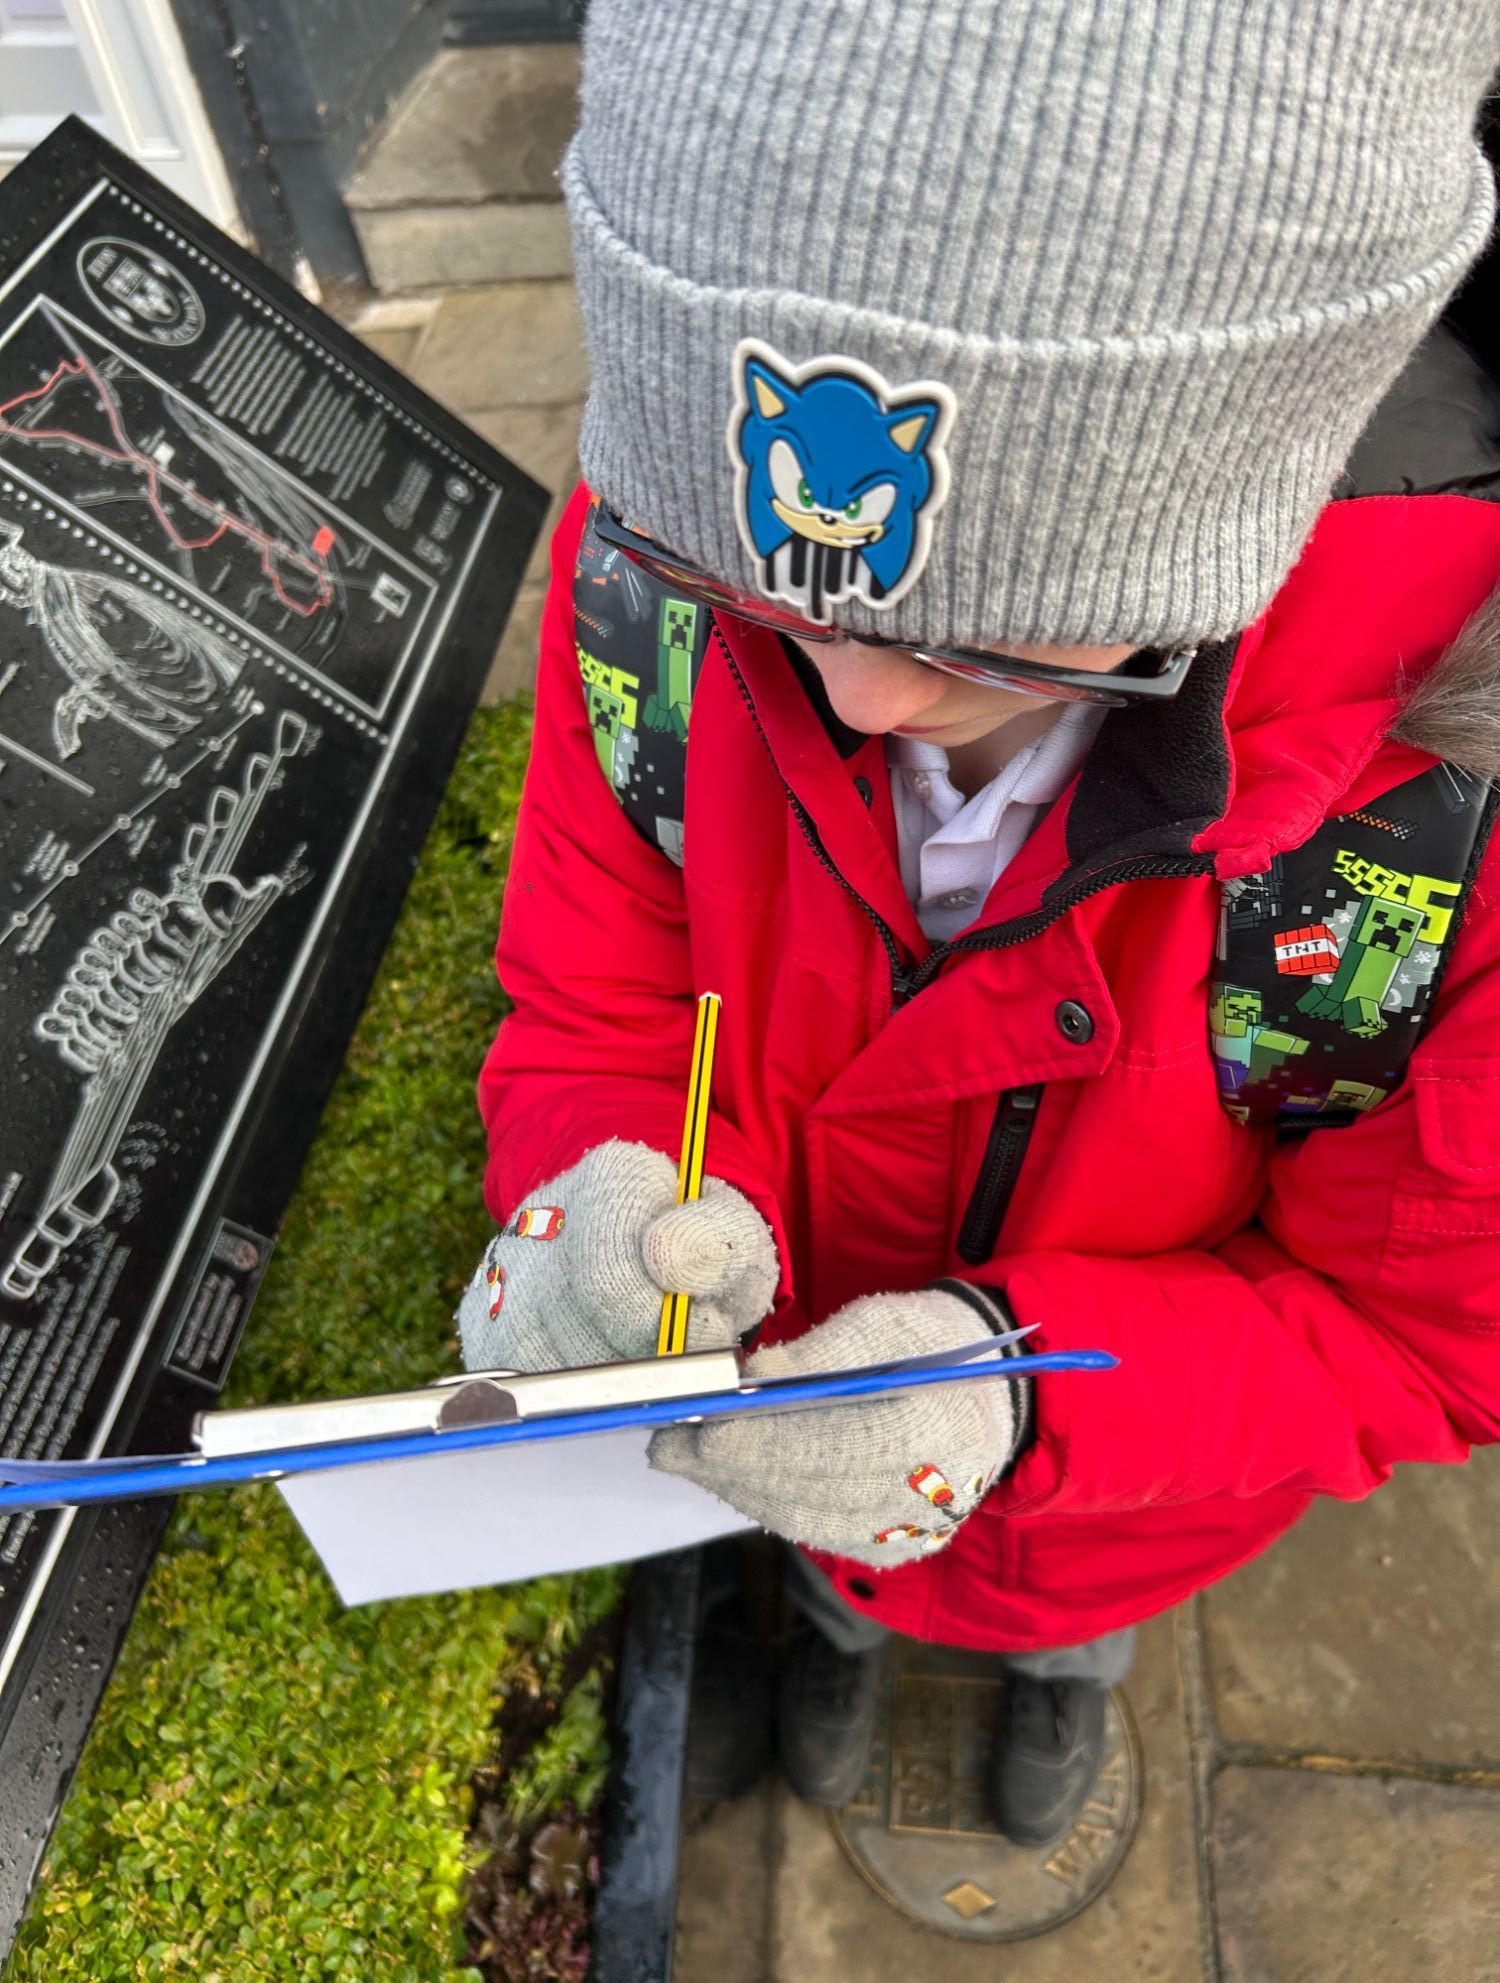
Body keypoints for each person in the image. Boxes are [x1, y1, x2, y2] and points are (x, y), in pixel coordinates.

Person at [459, 0, 1500, 1852]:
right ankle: (842, 1631)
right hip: (788, 1411)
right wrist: (591, 1178)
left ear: (1232, 503)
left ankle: (1063, 1677)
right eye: (745, 575)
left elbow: (1411, 1338)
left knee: (1082, 1618)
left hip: (1124, 1497)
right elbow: (596, 979)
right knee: (837, 1570)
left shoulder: (1453, 806)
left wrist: (1022, 1405)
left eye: (982, 632)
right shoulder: (655, 580)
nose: (854, 702)